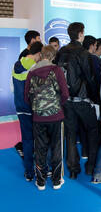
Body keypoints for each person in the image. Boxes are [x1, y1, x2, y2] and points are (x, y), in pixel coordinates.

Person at [55, 22, 100, 179]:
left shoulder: (61, 52)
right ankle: (90, 166)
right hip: (82, 99)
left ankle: (73, 169)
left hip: (65, 100)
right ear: (81, 34)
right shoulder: (83, 53)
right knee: (93, 131)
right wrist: (95, 98)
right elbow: (90, 78)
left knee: (71, 134)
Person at [24, 45, 69, 190]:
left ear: (41, 55)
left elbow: (26, 97)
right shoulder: (57, 70)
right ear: (53, 56)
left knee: (40, 148)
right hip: (56, 116)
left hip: (38, 117)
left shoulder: (31, 72)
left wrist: (37, 108)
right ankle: (56, 180)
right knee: (57, 148)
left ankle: (41, 181)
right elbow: (65, 94)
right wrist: (56, 106)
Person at [12, 41, 43, 181]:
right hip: (33, 108)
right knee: (40, 140)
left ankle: (29, 172)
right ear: (39, 54)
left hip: (20, 106)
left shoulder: (16, 64)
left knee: (27, 139)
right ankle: (41, 170)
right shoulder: (35, 67)